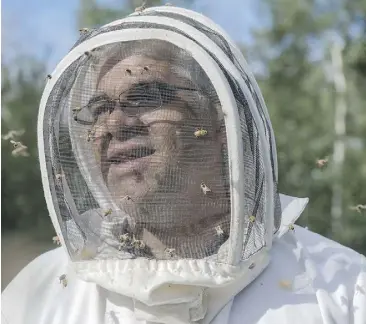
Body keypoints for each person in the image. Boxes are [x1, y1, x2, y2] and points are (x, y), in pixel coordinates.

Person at [2, 5, 365, 324]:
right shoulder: (37, 294)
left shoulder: (342, 289)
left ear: (223, 122)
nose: (113, 124)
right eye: (98, 110)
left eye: (145, 96)